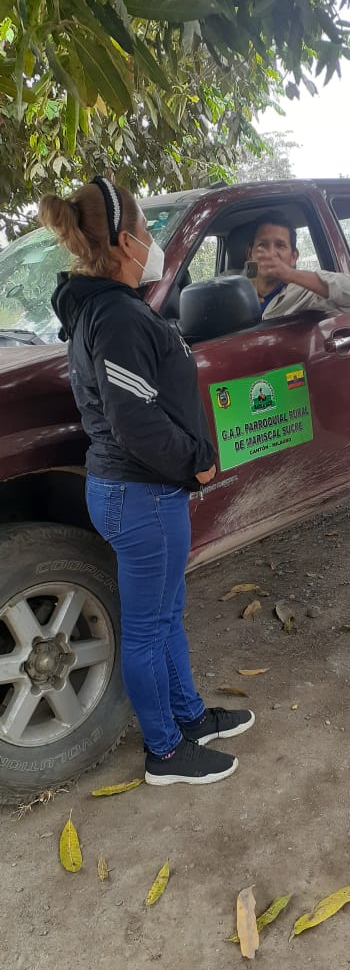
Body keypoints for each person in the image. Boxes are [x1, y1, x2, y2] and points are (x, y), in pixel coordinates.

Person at [41, 177, 254, 786]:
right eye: (147, 230)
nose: (153, 242)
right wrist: (196, 461)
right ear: (124, 241)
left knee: (166, 614)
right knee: (147, 628)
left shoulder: (110, 308)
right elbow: (135, 420)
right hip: (142, 493)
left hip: (141, 491)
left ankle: (189, 718)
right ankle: (164, 751)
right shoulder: (115, 315)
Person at [245, 211, 350, 318]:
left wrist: (289, 274)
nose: (271, 253)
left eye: (280, 245)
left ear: (293, 257)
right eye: (263, 245)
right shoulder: (235, 286)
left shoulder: (303, 292)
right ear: (250, 254)